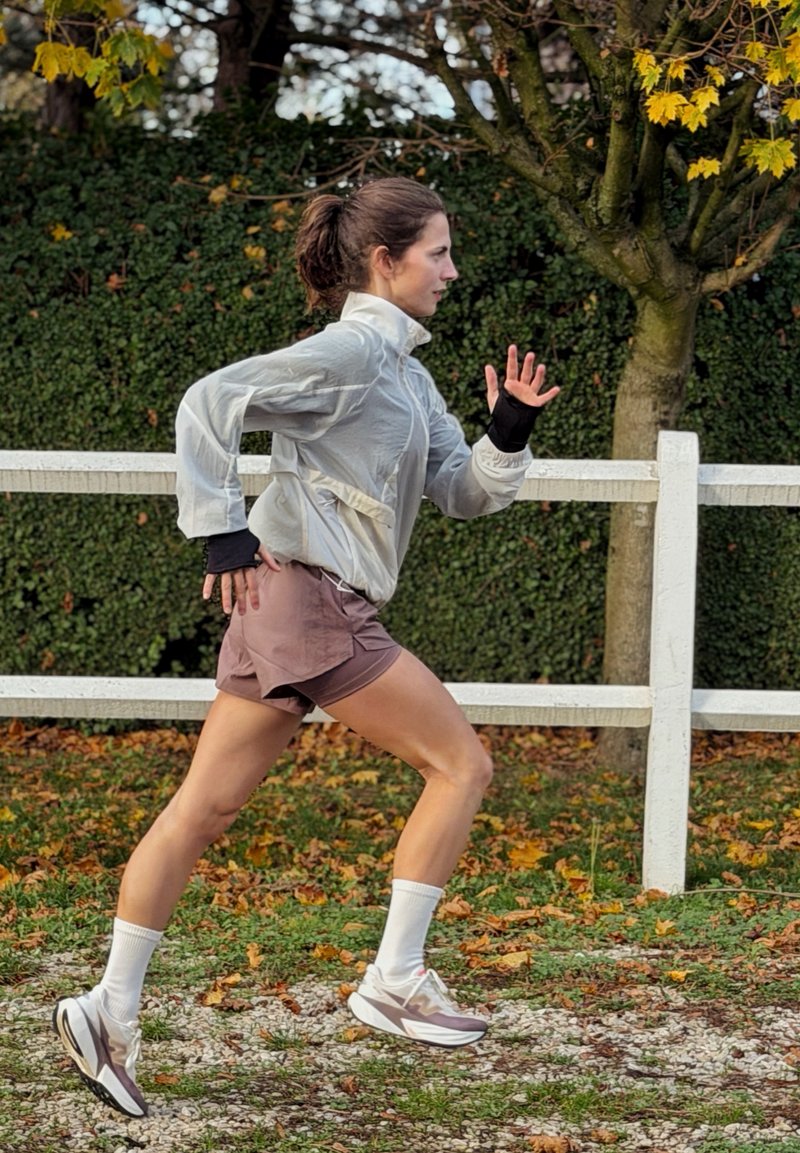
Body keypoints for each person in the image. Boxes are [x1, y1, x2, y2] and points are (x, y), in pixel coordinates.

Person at [53, 176, 559, 1118]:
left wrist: (509, 429)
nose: (453, 270)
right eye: (439, 253)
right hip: (314, 603)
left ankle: (107, 1008)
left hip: (288, 610)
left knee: (198, 811)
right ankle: (395, 977)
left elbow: (461, 490)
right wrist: (222, 529)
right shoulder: (352, 354)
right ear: (385, 261)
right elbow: (212, 399)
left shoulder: (406, 374)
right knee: (462, 765)